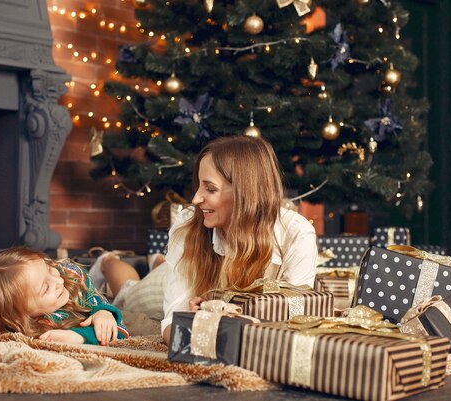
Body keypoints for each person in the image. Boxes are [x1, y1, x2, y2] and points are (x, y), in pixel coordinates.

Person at [89, 135, 318, 345]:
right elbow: (172, 322)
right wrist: (193, 325)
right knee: (129, 294)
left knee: (163, 272)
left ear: (246, 194)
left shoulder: (297, 235)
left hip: (190, 277)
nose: (197, 198)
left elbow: (296, 322)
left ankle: (157, 262)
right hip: (169, 285)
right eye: (199, 186)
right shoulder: (188, 224)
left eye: (210, 188)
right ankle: (107, 260)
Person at [0, 247, 129, 345]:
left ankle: (105, 261)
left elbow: (119, 330)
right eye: (45, 288)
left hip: (78, 279)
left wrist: (103, 313)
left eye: (49, 269)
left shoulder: (66, 276)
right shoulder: (30, 328)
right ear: (20, 316)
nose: (58, 281)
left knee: (114, 273)